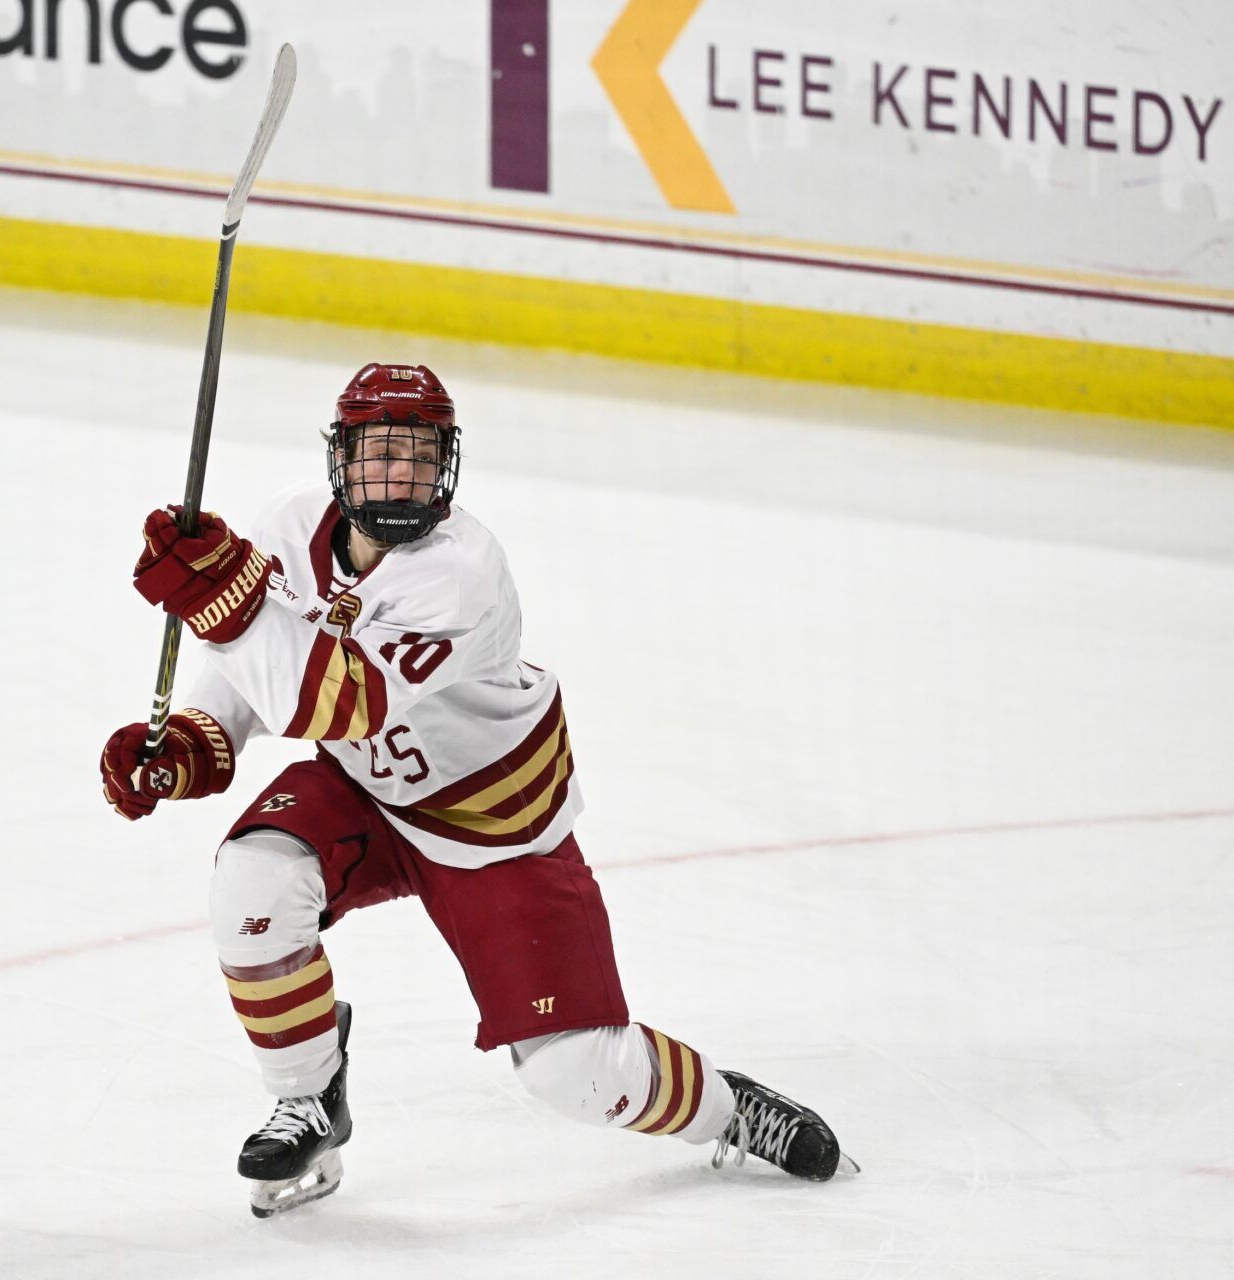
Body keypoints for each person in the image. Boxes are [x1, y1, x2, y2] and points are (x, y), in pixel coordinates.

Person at [101, 362, 854, 1217]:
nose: (398, 474)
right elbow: (251, 669)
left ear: (447, 465)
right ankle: (309, 1093)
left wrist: (226, 607)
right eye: (379, 452)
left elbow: (336, 702)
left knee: (573, 1073)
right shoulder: (288, 525)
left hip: (491, 825)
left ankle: (728, 1109)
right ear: (339, 459)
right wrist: (195, 739)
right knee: (252, 882)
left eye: (418, 456)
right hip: (368, 792)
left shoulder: (461, 571)